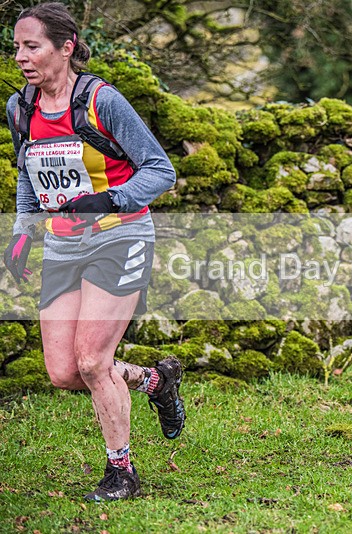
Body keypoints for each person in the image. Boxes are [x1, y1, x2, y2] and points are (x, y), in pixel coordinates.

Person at [3, 2, 184, 501]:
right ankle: (154, 381)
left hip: (119, 235)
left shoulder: (102, 101)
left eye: (31, 45)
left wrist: (110, 198)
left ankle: (121, 471)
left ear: (66, 47)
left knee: (90, 360)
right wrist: (22, 231)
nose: (20, 56)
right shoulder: (20, 109)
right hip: (62, 242)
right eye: (16, 46)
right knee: (63, 371)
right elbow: (28, 173)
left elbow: (160, 170)